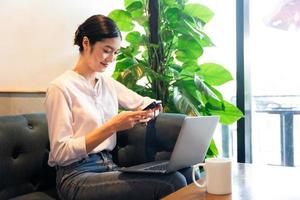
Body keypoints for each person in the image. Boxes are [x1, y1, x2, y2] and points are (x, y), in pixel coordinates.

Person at [45, 14, 196, 200]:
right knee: (173, 182)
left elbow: (142, 102)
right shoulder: (60, 88)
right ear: (86, 43)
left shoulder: (106, 83)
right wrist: (113, 126)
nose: (111, 59)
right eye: (107, 50)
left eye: (115, 53)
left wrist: (152, 108)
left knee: (188, 174)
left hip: (109, 167)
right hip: (76, 175)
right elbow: (60, 153)